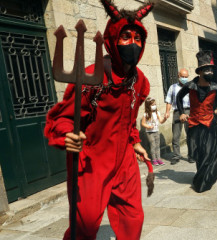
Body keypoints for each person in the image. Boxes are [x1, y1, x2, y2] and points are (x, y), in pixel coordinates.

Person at [44, 1, 154, 239]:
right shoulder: (93, 77)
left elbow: (130, 117)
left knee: (133, 218)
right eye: (126, 37)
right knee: (86, 224)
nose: (133, 44)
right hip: (92, 161)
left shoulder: (140, 80)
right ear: (113, 39)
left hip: (125, 160)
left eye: (137, 38)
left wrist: (135, 141)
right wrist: (66, 135)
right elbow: (63, 117)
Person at [176, 50, 217, 193]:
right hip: (195, 124)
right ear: (200, 72)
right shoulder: (189, 86)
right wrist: (182, 113)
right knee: (199, 154)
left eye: (211, 70)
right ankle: (201, 174)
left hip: (210, 125)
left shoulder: (216, 87)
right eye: (207, 70)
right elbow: (178, 98)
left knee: (210, 152)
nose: (210, 72)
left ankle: (205, 180)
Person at [164, 68, 193, 165]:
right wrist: (167, 112)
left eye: (186, 77)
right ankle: (176, 156)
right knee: (176, 135)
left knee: (190, 134)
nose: (184, 78)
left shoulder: (191, 87)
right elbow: (169, 101)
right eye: (182, 77)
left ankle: (191, 155)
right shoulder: (173, 87)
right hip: (177, 112)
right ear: (178, 76)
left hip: (188, 111)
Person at [142, 97, 167, 166]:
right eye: (152, 105)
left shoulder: (157, 113)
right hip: (149, 132)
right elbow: (143, 123)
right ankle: (154, 159)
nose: (154, 106)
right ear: (148, 106)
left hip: (156, 131)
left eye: (155, 104)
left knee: (157, 145)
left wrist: (165, 118)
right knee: (153, 145)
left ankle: (159, 158)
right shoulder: (146, 114)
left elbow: (161, 121)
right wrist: (148, 126)